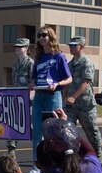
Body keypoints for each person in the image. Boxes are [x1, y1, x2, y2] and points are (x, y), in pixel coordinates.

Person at [28, 26, 72, 162]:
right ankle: (38, 163)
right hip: (39, 96)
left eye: (44, 35)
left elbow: (69, 78)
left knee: (53, 131)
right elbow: (34, 77)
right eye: (39, 35)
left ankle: (55, 161)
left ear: (51, 36)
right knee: (36, 131)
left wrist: (57, 84)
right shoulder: (39, 57)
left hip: (53, 96)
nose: (41, 38)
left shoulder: (58, 56)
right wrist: (32, 83)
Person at [64, 36, 102, 161]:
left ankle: (98, 153)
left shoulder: (87, 63)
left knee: (91, 130)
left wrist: (73, 97)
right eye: (70, 45)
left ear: (81, 46)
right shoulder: (69, 64)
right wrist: (64, 98)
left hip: (85, 104)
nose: (70, 47)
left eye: (73, 45)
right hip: (71, 105)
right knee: (67, 130)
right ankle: (71, 155)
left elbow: (85, 82)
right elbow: (67, 83)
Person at [6, 37, 34, 158]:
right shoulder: (15, 65)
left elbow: (34, 83)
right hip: (17, 100)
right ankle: (11, 153)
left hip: (29, 101)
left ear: (26, 48)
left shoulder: (31, 64)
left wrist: (29, 98)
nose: (17, 49)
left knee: (32, 127)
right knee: (13, 125)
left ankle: (39, 154)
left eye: (20, 47)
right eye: (16, 47)